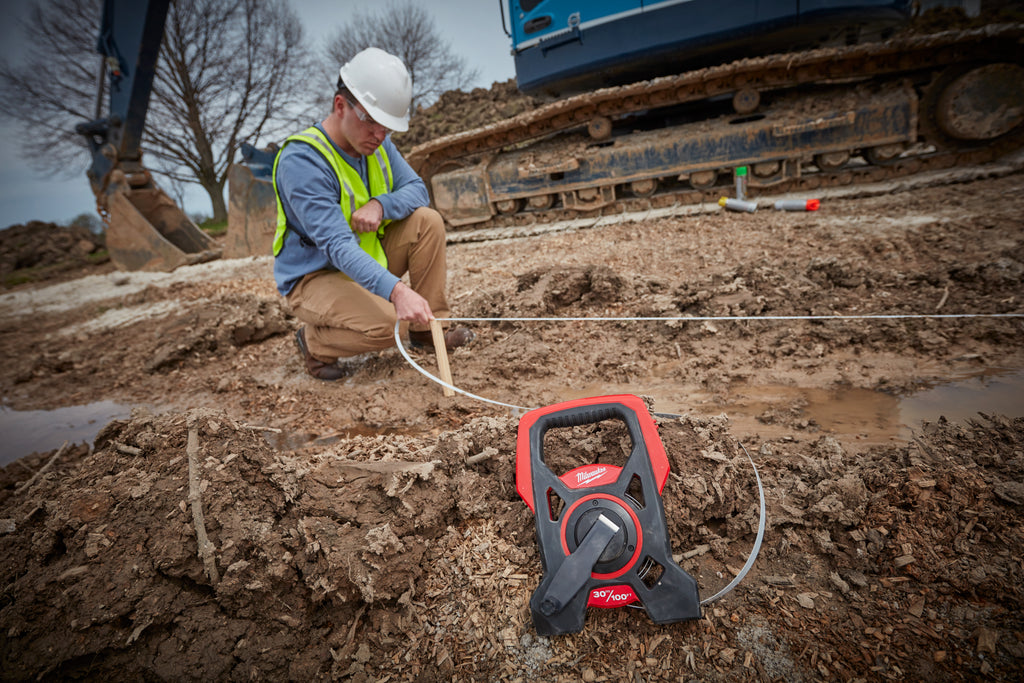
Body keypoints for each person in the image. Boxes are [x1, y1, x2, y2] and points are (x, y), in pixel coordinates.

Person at [272, 47, 473, 380]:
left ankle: (429, 331)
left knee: (427, 222)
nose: (380, 135)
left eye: (387, 128)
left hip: (363, 258)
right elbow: (337, 245)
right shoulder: (303, 161)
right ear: (340, 106)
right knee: (389, 325)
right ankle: (313, 342)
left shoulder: (376, 144)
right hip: (314, 276)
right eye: (371, 121)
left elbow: (417, 191)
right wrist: (398, 291)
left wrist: (381, 205)